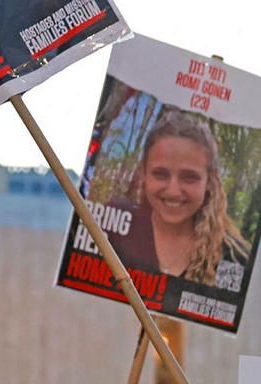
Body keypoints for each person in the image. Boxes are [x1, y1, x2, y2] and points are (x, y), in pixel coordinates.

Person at [108, 109, 252, 285]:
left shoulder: (234, 258)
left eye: (189, 177)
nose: (173, 191)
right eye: (160, 174)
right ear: (144, 173)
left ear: (210, 181)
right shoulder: (111, 226)